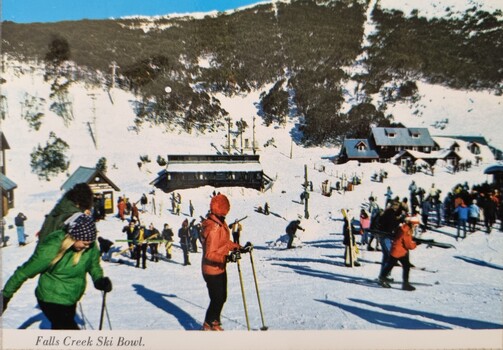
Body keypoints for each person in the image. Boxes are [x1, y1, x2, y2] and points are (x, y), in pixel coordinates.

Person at [1, 213, 112, 328]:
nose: (87, 247)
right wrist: (5, 296)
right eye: (84, 243)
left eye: (89, 244)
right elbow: (24, 272)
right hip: (51, 299)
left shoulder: (90, 245)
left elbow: (94, 265)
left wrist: (99, 280)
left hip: (70, 298)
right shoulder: (52, 248)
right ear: (74, 237)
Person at [200, 194, 251, 331]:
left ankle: (214, 321)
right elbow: (209, 254)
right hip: (211, 269)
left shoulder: (220, 223)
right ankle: (208, 324)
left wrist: (240, 248)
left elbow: (224, 243)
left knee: (222, 297)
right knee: (217, 298)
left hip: (220, 267)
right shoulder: (213, 228)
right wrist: (227, 258)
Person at [378, 216, 419, 291]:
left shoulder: (404, 227)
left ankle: (383, 277)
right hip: (399, 251)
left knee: (392, 265)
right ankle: (404, 284)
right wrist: (416, 244)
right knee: (402, 266)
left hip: (398, 250)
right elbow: (408, 245)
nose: (416, 227)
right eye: (415, 225)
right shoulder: (406, 231)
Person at [377, 200, 403, 280]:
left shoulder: (387, 212)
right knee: (390, 256)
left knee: (386, 256)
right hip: (386, 236)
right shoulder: (390, 213)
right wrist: (399, 221)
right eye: (396, 205)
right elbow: (391, 224)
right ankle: (384, 276)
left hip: (383, 236)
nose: (397, 207)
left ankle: (383, 274)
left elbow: (381, 221)